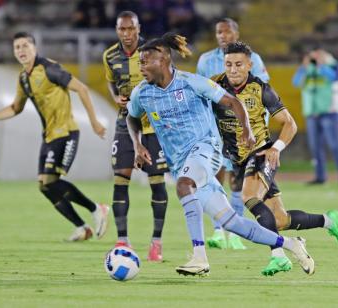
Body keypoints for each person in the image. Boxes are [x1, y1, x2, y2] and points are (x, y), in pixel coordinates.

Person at [126, 32, 314, 276]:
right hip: (181, 161)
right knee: (231, 222)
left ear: (163, 60)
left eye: (144, 61)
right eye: (139, 61)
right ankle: (291, 245)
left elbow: (234, 102)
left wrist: (246, 129)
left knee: (184, 185)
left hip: (206, 149)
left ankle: (199, 256)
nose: (140, 66)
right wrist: (138, 145)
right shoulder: (142, 93)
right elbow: (131, 116)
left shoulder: (192, 83)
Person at [212, 41, 338, 275]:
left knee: (248, 196)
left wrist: (277, 148)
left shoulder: (261, 88)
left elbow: (290, 123)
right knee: (279, 220)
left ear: (249, 65)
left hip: (262, 153)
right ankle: (329, 221)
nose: (233, 69)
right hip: (237, 160)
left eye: (238, 64)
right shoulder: (214, 85)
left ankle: (279, 256)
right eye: (228, 64)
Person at [0, 32, 109, 242]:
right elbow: (15, 108)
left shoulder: (49, 68)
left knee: (50, 181)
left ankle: (96, 208)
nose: (21, 50)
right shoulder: (24, 79)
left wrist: (94, 122)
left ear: (34, 48)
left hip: (66, 132)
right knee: (44, 186)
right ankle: (82, 228)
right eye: (17, 47)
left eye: (25, 45)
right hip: (49, 137)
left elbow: (81, 88)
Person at [196, 17, 270, 251]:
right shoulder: (206, 60)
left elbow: (262, 92)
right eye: (219, 32)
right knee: (215, 178)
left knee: (238, 182)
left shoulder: (253, 59)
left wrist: (259, 129)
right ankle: (218, 229)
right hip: (217, 131)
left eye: (226, 32)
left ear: (236, 34)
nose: (222, 36)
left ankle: (234, 231)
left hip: (244, 132)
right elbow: (201, 94)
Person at [102, 11, 168, 262]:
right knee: (121, 179)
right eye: (122, 30)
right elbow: (111, 81)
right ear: (117, 30)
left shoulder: (153, 52)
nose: (127, 34)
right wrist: (114, 97)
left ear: (139, 29)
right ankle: (123, 240)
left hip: (153, 125)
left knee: (156, 181)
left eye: (131, 29)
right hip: (124, 123)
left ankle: (156, 243)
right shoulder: (109, 55)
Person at [292, 48, 338, 187]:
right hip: (312, 112)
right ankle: (320, 176)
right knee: (315, 147)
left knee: (334, 144)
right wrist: (303, 67)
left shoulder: (334, 66)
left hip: (330, 112)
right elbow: (296, 82)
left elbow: (335, 77)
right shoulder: (307, 68)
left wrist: (321, 65)